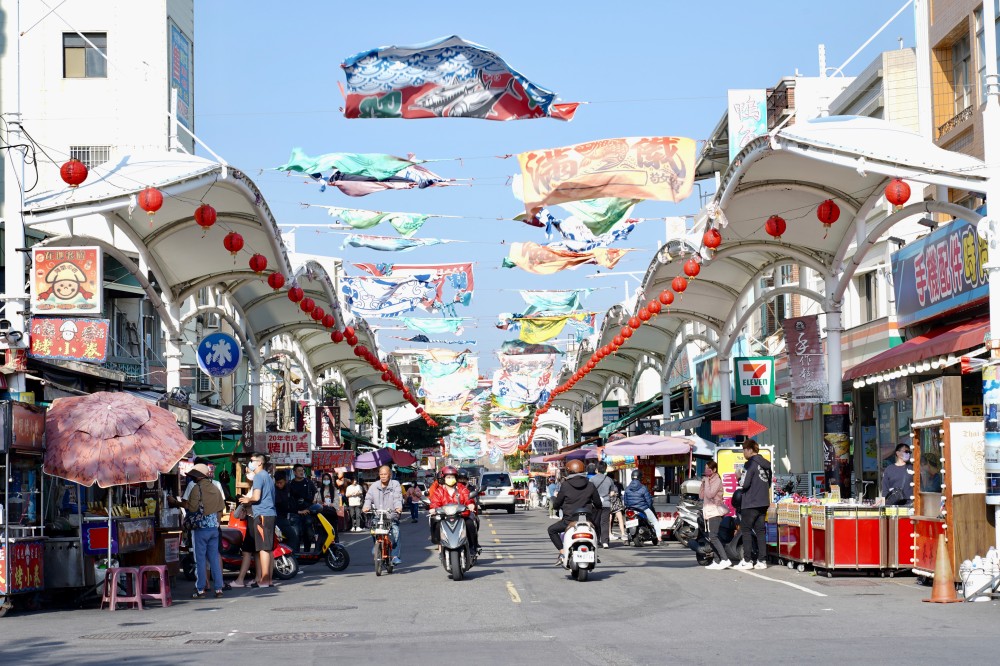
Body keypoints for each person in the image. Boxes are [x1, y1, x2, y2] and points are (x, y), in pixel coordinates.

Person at [548, 459, 602, 564]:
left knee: (551, 530)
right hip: (587, 521)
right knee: (596, 528)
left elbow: (557, 503)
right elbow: (598, 503)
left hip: (569, 521)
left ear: (569, 471)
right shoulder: (590, 485)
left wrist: (556, 506)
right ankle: (596, 552)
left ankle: (562, 552)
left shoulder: (565, 485)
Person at [185, 464, 226, 599]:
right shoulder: (215, 487)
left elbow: (192, 508)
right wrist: (216, 523)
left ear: (198, 476)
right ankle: (219, 588)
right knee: (214, 558)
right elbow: (221, 508)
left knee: (200, 560)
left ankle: (201, 589)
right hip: (214, 528)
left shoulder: (197, 488)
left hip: (201, 529)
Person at [236, 453, 277, 587]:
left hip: (262, 514)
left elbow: (256, 496)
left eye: (252, 460)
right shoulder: (268, 476)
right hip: (270, 513)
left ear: (259, 462)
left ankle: (265, 580)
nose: (250, 463)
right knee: (268, 549)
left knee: (264, 549)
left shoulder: (259, 476)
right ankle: (268, 580)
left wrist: (247, 499)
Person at [734, 440, 771, 570]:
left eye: (744, 449)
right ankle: (762, 561)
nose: (744, 452)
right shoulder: (766, 465)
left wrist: (738, 477)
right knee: (761, 531)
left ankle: (747, 560)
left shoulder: (750, 464)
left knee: (746, 530)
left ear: (750, 450)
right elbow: (769, 483)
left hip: (750, 503)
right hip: (763, 502)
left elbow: (745, 483)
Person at [429, 466, 479, 555]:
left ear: (456, 478)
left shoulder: (462, 488)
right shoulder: (439, 491)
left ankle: (472, 546)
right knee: (435, 522)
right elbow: (435, 502)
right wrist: (433, 509)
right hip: (445, 517)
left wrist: (470, 504)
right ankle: (440, 543)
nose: (450, 479)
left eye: (452, 477)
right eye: (448, 477)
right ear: (444, 478)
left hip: (461, 516)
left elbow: (467, 498)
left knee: (470, 523)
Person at [362, 465, 403, 565]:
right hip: (378, 515)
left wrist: (398, 507)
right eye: (381, 474)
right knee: (373, 530)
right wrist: (366, 507)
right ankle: (377, 545)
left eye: (385, 474)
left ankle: (394, 556)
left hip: (391, 515)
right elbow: (368, 498)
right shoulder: (374, 486)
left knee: (396, 533)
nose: (383, 476)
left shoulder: (395, 484)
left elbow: (397, 497)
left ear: (390, 475)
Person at [699, 461, 732, 570]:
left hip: (715, 512)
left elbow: (710, 494)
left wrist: (707, 481)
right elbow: (702, 495)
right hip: (708, 512)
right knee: (711, 537)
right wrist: (703, 483)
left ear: (714, 470)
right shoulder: (707, 480)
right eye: (705, 468)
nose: (706, 471)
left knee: (713, 536)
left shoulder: (717, 480)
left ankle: (725, 559)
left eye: (708, 469)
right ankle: (717, 561)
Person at [624, 470, 660, 545]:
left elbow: (625, 502)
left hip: (631, 509)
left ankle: (627, 538)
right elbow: (649, 501)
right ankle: (659, 539)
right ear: (640, 478)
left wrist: (629, 507)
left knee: (627, 521)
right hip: (643, 508)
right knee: (655, 522)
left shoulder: (627, 489)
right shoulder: (643, 488)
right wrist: (648, 506)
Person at [288, 464, 316, 553]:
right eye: (299, 470)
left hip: (307, 511)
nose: (301, 472)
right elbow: (288, 499)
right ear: (294, 472)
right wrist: (298, 511)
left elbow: (316, 493)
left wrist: (313, 503)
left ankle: (307, 551)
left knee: (307, 532)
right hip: (295, 513)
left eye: (302, 470)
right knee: (296, 533)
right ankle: (296, 553)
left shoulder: (308, 482)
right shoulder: (290, 484)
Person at [589, 461, 616, 548]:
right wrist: (607, 495)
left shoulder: (592, 479)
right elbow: (613, 492)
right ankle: (605, 542)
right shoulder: (609, 480)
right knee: (604, 523)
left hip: (595, 504)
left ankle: (596, 540)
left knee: (595, 522)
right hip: (606, 504)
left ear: (596, 469)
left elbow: (589, 492)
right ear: (605, 470)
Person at [273, 471, 299, 553]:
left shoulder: (288, 487)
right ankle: (291, 556)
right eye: (277, 483)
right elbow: (282, 505)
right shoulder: (274, 491)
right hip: (278, 518)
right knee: (293, 537)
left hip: (286, 517)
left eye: (281, 483)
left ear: (285, 480)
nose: (279, 485)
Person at [314, 472, 343, 540]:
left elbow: (337, 502)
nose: (326, 480)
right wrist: (320, 503)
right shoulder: (319, 490)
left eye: (327, 479)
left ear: (330, 480)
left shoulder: (334, 490)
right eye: (325, 479)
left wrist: (331, 504)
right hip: (322, 514)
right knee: (323, 532)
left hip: (331, 513)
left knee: (333, 531)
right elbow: (314, 501)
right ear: (322, 480)